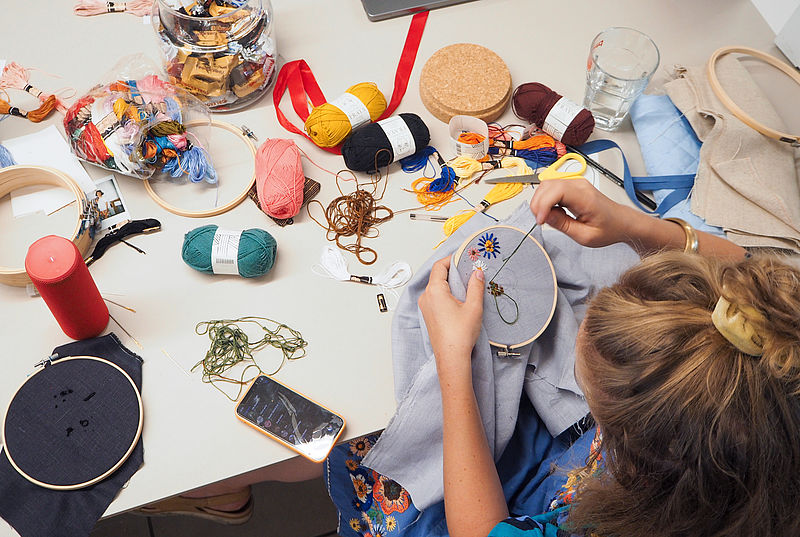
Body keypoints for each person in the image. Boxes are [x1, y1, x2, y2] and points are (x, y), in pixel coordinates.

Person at [416, 179, 800, 537]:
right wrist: (634, 224)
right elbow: (753, 274)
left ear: (628, 445)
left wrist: (453, 358)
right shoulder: (784, 328)